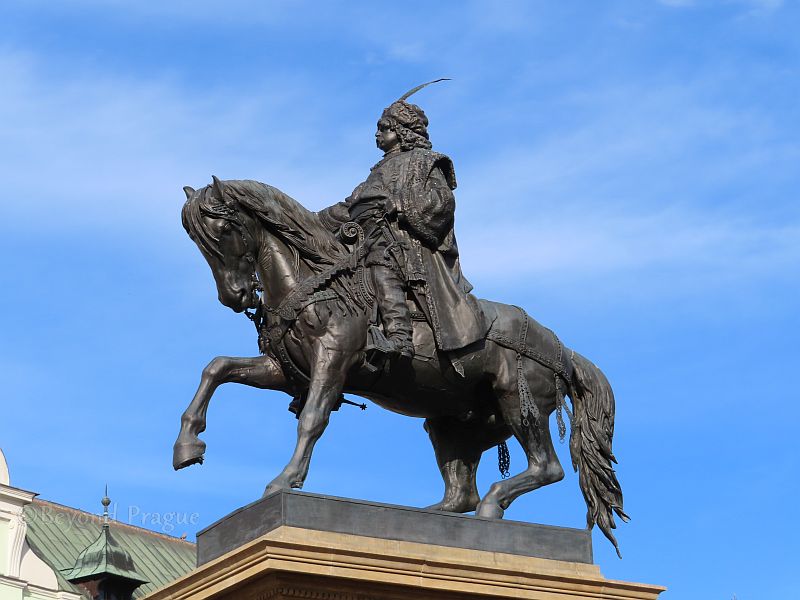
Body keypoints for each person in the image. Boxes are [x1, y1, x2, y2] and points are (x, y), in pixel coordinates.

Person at [318, 82, 486, 361]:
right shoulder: (377, 171)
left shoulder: (425, 162)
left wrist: (399, 204)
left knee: (381, 265)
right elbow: (351, 207)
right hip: (370, 240)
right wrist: (312, 220)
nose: (377, 134)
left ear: (401, 131)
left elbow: (442, 201)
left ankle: (399, 338)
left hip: (406, 245)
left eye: (383, 128)